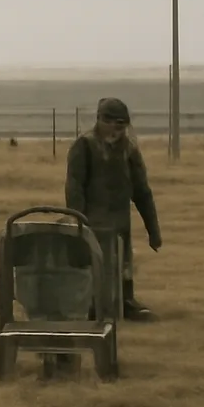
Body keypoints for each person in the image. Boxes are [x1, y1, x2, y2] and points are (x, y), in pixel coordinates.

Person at [65, 97, 162, 321]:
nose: (117, 131)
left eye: (122, 126)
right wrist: (78, 222)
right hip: (92, 222)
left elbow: (142, 192)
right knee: (92, 267)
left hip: (120, 222)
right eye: (113, 124)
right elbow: (74, 187)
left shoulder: (129, 150)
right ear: (100, 120)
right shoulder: (85, 146)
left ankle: (125, 302)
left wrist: (153, 231)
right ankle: (91, 306)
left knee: (123, 264)